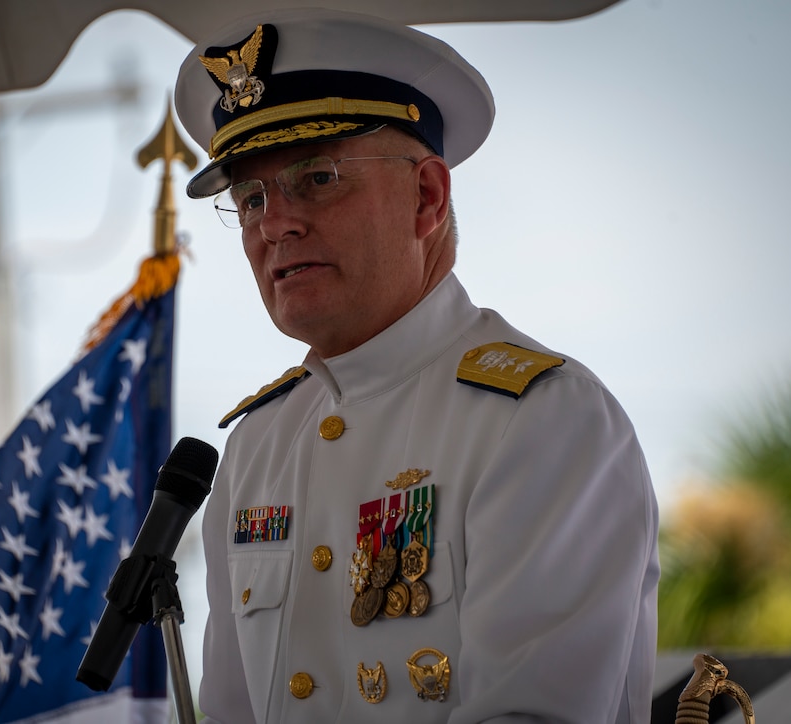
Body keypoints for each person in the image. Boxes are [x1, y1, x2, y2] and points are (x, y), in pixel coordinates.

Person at [173, 8, 659, 723]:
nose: (274, 223)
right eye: (250, 198)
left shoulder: (540, 418)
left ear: (427, 197)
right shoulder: (256, 447)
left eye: (318, 178)